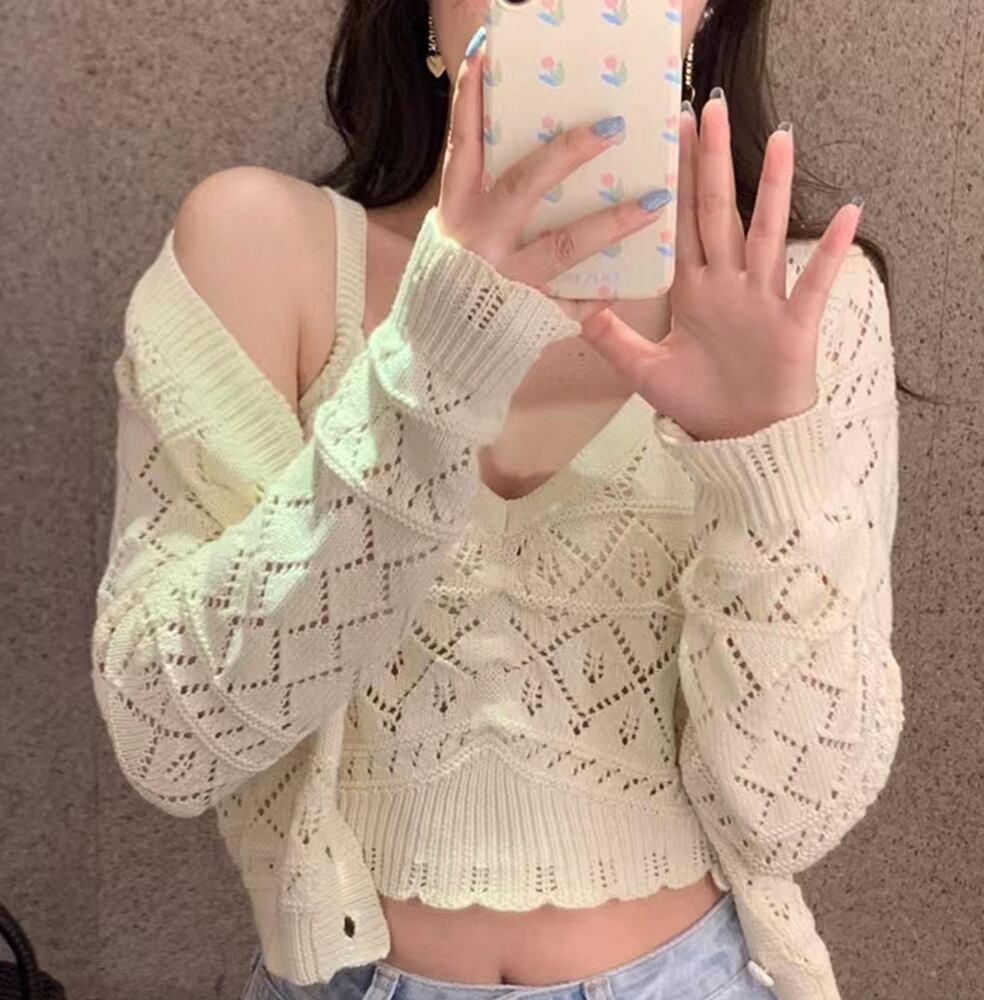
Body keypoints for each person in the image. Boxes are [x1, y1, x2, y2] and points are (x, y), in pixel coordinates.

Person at [90, 2, 904, 999]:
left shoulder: (806, 303)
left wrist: (757, 464)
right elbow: (167, 745)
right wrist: (428, 377)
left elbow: (794, 815)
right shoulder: (258, 247)